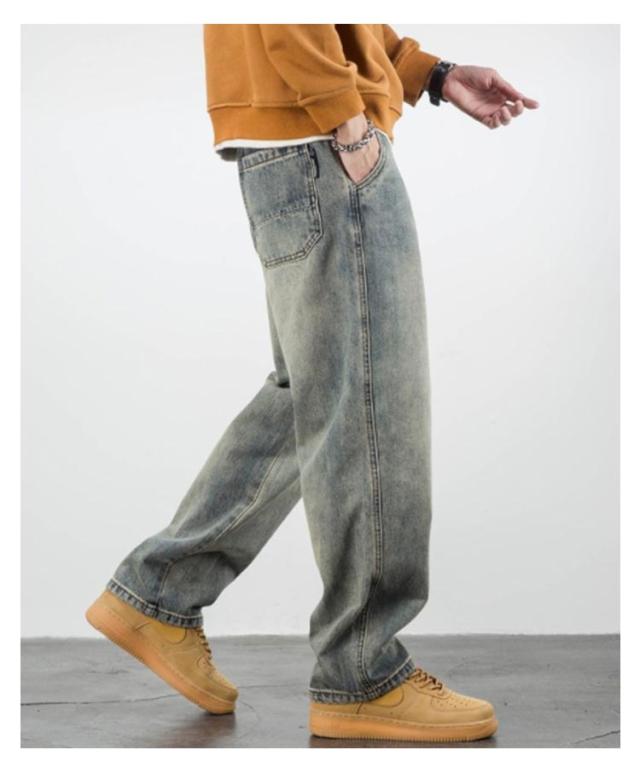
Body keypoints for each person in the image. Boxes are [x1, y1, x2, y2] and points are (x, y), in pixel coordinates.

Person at [86, 24, 539, 743]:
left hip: (292, 145)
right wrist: (345, 119)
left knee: (320, 391)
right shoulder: (336, 126)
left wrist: (431, 72)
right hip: (325, 141)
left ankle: (158, 592)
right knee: (372, 402)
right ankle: (363, 672)